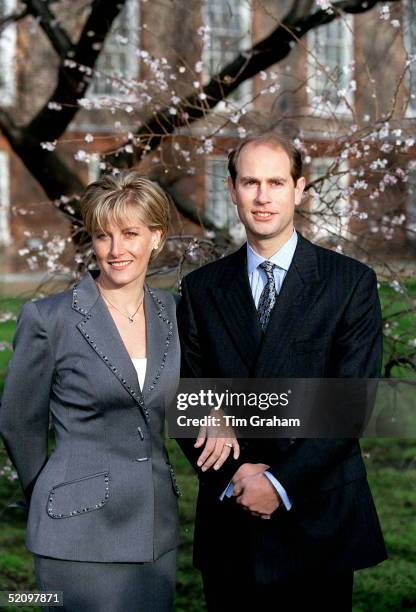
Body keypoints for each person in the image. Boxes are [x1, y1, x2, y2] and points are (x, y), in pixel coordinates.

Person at [177, 133, 387, 611]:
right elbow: (188, 400)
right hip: (232, 519)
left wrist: (278, 483)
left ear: (300, 188)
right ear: (232, 189)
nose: (263, 196)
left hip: (318, 516)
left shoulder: (349, 283)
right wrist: (238, 476)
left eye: (276, 181)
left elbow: (349, 405)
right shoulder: (201, 289)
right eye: (250, 182)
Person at [1, 171, 182, 611]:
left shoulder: (172, 311)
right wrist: (51, 490)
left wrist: (215, 417)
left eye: (130, 233)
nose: (116, 250)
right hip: (75, 532)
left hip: (155, 530)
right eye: (103, 236)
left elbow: (182, 396)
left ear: (155, 237)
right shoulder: (50, 318)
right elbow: (17, 421)